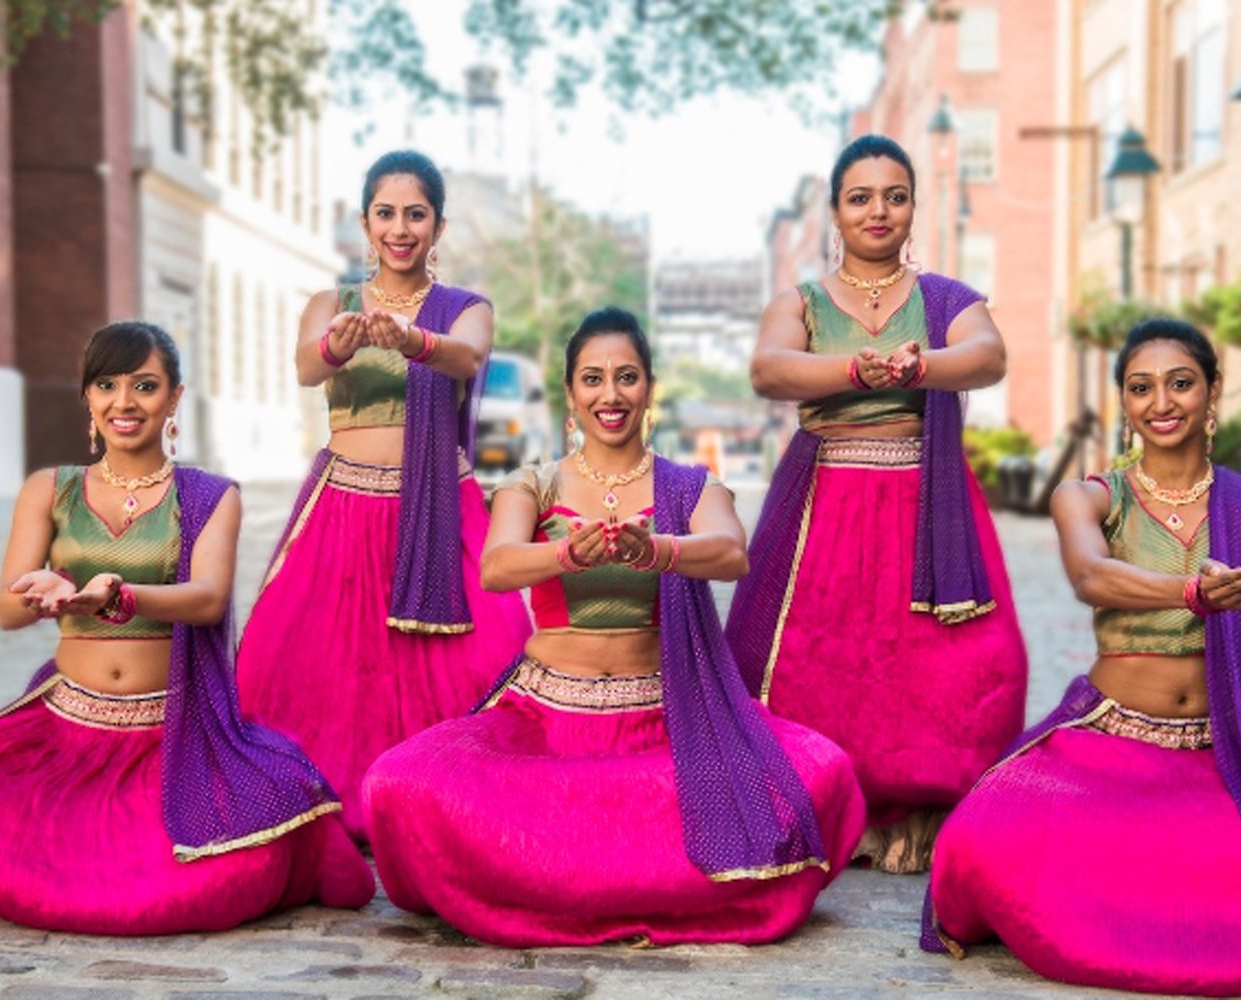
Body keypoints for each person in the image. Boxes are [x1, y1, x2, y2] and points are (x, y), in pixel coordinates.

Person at [923, 319, 1241, 994]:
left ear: (1213, 394)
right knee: (986, 833)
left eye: (1182, 384)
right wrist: (1193, 592)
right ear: (1124, 402)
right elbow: (1090, 576)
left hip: (1230, 747)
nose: (1163, 403)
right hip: (1111, 740)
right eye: (1141, 388)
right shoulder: (1092, 496)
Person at [362, 308, 865, 947]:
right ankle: (611, 876)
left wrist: (656, 550)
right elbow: (496, 566)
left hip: (663, 717)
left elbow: (731, 553)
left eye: (626, 377)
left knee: (825, 770)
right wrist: (569, 554)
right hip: (543, 721)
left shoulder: (687, 486)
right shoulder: (535, 483)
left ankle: (560, 879)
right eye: (593, 378)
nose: (611, 394)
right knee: (399, 784)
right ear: (571, 394)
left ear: (648, 388)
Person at [0, 322, 373, 934]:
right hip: (65, 731)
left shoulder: (207, 496)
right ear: (88, 398)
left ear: (174, 398)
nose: (123, 402)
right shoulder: (51, 490)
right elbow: (5, 608)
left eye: (144, 386)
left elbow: (206, 600)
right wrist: (47, 596)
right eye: (106, 385)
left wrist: (118, 596)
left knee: (214, 866)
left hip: (169, 733)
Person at [726, 134, 1027, 873]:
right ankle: (824, 803)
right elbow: (770, 368)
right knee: (817, 661)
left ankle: (918, 812)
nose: (878, 210)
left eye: (894, 195)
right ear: (836, 211)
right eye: (860, 197)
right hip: (825, 505)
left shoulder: (944, 300)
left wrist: (921, 364)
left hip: (928, 508)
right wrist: (855, 370)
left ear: (912, 207)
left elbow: (987, 355)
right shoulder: (801, 302)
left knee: (953, 664)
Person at [237, 150, 531, 840]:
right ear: (366, 223)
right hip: (340, 506)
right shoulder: (330, 304)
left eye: (416, 215)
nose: (400, 229)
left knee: (478, 655)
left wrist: (413, 338)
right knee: (314, 665)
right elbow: (308, 367)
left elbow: (466, 357)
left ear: (438, 225)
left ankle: (440, 803)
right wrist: (341, 344)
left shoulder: (465, 308)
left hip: (436, 508)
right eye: (386, 214)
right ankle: (333, 799)